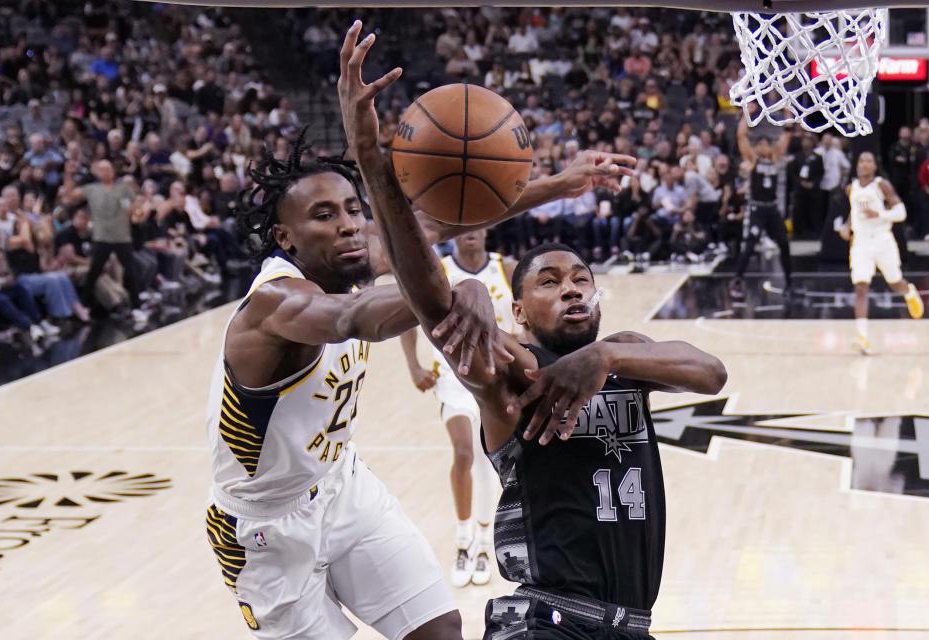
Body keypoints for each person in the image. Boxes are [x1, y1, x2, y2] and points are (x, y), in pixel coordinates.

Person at [204, 22, 634, 638]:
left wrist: (560, 185)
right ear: (285, 238)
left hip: (342, 486)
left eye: (355, 209)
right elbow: (357, 318)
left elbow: (435, 221)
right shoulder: (276, 307)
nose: (351, 225)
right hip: (265, 530)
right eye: (324, 216)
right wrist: (455, 291)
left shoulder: (345, 257)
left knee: (440, 631)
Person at [339, 22, 726, 640]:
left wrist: (602, 358)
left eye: (579, 278)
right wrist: (373, 164)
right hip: (546, 622)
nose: (571, 286)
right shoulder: (517, 370)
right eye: (547, 281)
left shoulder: (626, 355)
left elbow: (711, 372)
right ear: (518, 312)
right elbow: (431, 299)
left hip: (631, 626)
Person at [399, 228, 517, 588]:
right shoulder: (440, 270)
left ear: (487, 229)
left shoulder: (507, 269)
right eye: (461, 228)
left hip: (496, 379)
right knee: (464, 452)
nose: (470, 233)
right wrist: (414, 365)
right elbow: (408, 313)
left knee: (486, 461)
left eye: (477, 226)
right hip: (453, 378)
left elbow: (527, 316)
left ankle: (483, 544)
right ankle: (463, 540)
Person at [839, 152, 924, 355]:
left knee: (895, 283)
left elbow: (901, 213)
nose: (865, 164)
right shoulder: (851, 188)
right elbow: (854, 210)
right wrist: (846, 225)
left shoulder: (881, 185)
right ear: (857, 165)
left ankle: (909, 291)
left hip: (882, 240)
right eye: (862, 160)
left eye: (869, 161)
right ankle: (862, 338)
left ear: (875, 166)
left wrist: (880, 214)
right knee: (861, 287)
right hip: (860, 242)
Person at [61, 159, 140, 309]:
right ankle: (85, 304)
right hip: (101, 237)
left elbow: (136, 206)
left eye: (108, 169)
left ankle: (136, 307)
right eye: (102, 170)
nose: (106, 172)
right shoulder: (92, 189)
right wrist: (68, 174)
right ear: (97, 172)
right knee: (94, 272)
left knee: (130, 270)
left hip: (121, 237)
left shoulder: (123, 188)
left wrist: (134, 212)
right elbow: (70, 194)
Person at [729, 112, 793, 298]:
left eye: (765, 144)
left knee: (784, 243)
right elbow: (741, 136)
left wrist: (787, 112)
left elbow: (787, 134)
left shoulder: (775, 157)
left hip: (772, 209)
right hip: (756, 208)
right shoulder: (753, 160)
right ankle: (737, 281)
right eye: (760, 144)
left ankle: (789, 283)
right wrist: (746, 115)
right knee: (749, 245)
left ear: (769, 146)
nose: (762, 147)